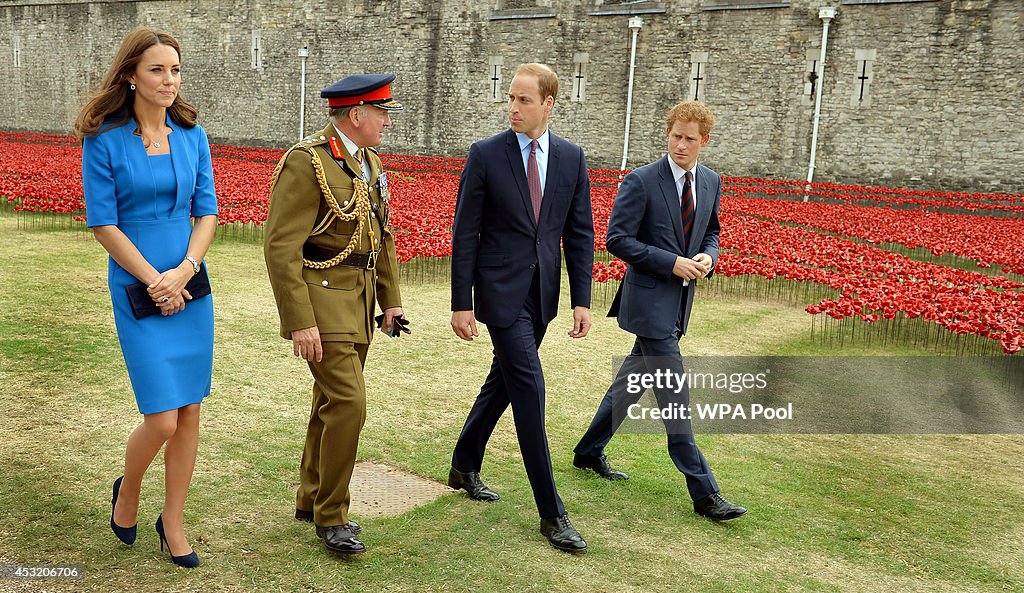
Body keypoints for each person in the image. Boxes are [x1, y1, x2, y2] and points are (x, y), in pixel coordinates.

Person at [76, 27, 218, 569]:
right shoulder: (104, 139)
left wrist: (183, 271)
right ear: (131, 74)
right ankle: (128, 489)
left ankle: (174, 522)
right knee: (160, 419)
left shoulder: (192, 135)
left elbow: (206, 212)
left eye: (175, 70)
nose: (169, 81)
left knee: (189, 413)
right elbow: (104, 224)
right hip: (136, 283)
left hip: (190, 284)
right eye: (158, 69)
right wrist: (155, 280)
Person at [572, 100, 747, 522]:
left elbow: (711, 231)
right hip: (649, 303)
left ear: (705, 141)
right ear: (667, 134)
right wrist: (669, 262)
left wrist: (708, 257)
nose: (681, 145)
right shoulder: (641, 181)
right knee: (676, 403)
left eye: (690, 139)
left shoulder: (711, 181)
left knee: (630, 382)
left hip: (680, 303)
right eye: (675, 136)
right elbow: (617, 239)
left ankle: (587, 452)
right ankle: (705, 494)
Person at [448, 63, 594, 553]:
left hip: (543, 298)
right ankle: (552, 513)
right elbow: (465, 231)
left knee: (504, 381)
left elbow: (578, 232)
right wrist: (461, 303)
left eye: (524, 100)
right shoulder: (486, 154)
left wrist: (581, 300)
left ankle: (464, 462)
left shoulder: (572, 158)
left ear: (549, 103)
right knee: (530, 390)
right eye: (510, 98)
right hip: (498, 295)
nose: (513, 107)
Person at [264, 73, 405, 555]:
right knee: (349, 403)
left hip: (360, 301)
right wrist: (299, 319)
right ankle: (332, 515)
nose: (387, 122)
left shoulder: (369, 161)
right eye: (382, 113)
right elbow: (281, 246)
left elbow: (380, 236)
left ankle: (310, 496)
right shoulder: (308, 162)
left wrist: (391, 302)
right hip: (322, 299)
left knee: (329, 403)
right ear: (357, 115)